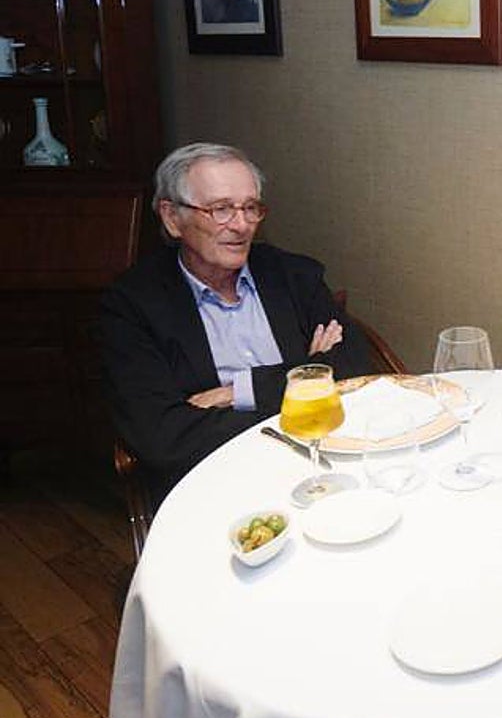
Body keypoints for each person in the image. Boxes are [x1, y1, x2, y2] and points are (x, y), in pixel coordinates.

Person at [101, 142, 372, 506]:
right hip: (217, 484)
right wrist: (304, 378)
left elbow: (353, 368)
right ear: (171, 217)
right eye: (221, 209)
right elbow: (163, 437)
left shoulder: (293, 275)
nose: (242, 225)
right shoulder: (131, 305)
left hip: (327, 461)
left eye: (250, 207)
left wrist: (238, 392)